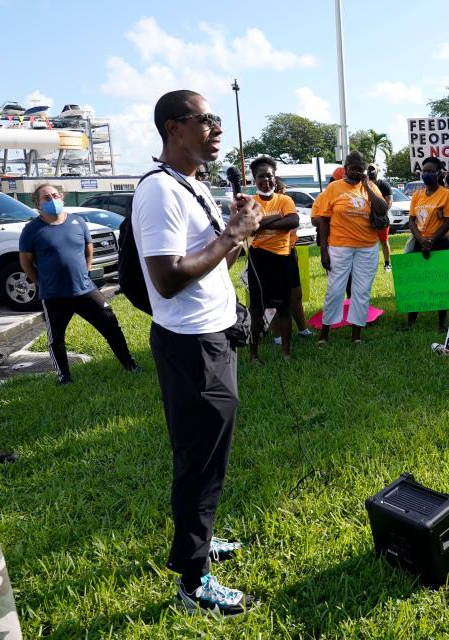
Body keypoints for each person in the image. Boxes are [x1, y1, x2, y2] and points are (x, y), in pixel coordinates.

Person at [133, 89, 261, 615]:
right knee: (198, 460)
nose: (216, 128)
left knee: (211, 454)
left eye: (215, 119)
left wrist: (236, 236)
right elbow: (166, 280)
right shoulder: (160, 192)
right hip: (190, 347)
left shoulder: (193, 187)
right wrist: (232, 233)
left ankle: (201, 541)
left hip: (213, 336)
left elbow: (210, 267)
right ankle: (193, 579)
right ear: (173, 128)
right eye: (205, 119)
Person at [20, 184, 140, 385]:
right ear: (38, 203)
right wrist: (41, 282)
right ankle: (64, 376)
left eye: (55, 195)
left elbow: (88, 249)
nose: (52, 200)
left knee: (111, 325)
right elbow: (25, 262)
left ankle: (129, 364)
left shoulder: (78, 221)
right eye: (46, 198)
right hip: (54, 295)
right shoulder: (31, 230)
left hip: (84, 289)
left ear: (62, 198)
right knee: (56, 339)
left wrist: (84, 271)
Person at [313, 150, 388, 343]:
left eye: (360, 169)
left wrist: (367, 187)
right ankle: (324, 335)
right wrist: (324, 251)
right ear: (345, 169)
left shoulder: (370, 186)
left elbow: (382, 209)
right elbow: (322, 220)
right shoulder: (334, 188)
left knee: (361, 292)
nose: (356, 172)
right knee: (335, 290)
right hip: (340, 247)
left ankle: (356, 336)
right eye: (353, 169)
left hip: (367, 247)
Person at [246, 156, 299, 363]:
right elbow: (250, 227)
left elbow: (293, 220)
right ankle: (253, 355)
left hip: (282, 259)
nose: (266, 180)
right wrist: (278, 218)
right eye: (261, 176)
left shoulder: (285, 200)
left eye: (269, 176)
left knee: (284, 308)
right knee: (257, 311)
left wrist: (262, 222)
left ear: (275, 178)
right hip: (258, 261)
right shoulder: (250, 203)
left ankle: (286, 353)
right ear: (254, 179)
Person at [407, 157, 449, 329]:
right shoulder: (417, 195)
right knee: (416, 282)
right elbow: (411, 220)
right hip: (419, 242)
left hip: (440, 241)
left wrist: (431, 241)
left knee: (440, 282)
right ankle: (411, 321)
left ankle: (442, 322)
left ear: (439, 173)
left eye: (430, 171)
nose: (426, 174)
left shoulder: (447, 195)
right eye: (424, 171)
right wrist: (421, 240)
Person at [274, 176, 314, 343]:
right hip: (269, 256)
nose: (285, 195)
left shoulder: (287, 204)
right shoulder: (262, 205)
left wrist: (294, 252)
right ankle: (277, 335)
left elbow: (292, 226)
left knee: (295, 295)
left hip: (288, 253)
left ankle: (303, 329)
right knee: (275, 299)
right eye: (282, 192)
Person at [368, 164, 394, 271]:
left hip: (381, 219)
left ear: (377, 171)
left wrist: (378, 211)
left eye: (373, 169)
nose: (371, 171)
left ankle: (387, 264)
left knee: (384, 241)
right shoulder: (365, 184)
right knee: (368, 243)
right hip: (367, 218)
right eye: (369, 169)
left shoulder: (384, 185)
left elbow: (389, 203)